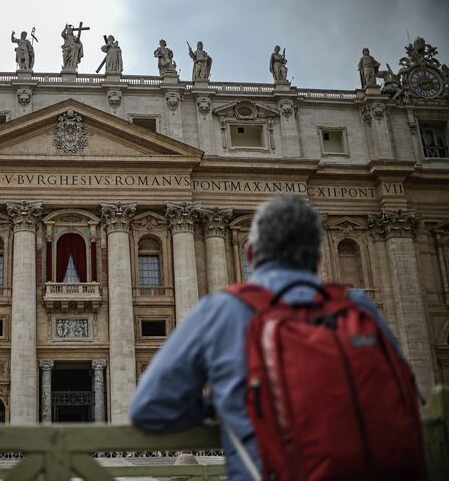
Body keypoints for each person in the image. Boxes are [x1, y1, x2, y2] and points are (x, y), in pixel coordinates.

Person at [129, 194, 403, 481]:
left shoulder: (223, 309)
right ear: (319, 257)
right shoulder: (359, 307)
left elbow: (148, 406)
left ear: (249, 256)